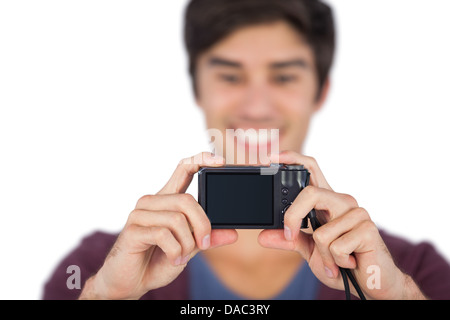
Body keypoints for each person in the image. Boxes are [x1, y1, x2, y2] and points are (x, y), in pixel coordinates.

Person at [43, 0, 450, 300]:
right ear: (198, 89)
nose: (256, 106)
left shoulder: (411, 272)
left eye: (284, 76)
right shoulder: (96, 267)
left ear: (320, 91)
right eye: (230, 76)